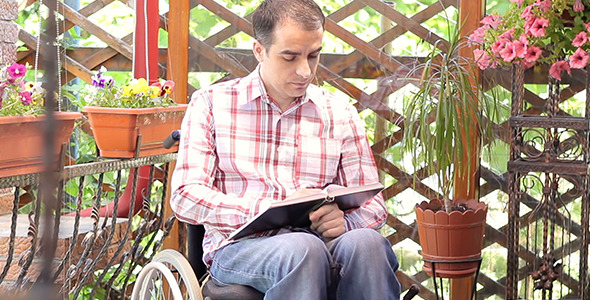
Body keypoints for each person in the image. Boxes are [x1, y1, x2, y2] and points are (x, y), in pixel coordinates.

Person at [170, 0, 401, 299]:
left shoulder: (339, 112)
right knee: (302, 249)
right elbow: (186, 196)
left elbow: (374, 205)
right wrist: (263, 211)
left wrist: (344, 221)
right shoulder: (212, 104)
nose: (305, 71)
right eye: (290, 57)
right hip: (241, 248)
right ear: (259, 50)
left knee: (368, 245)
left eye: (313, 56)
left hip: (321, 241)